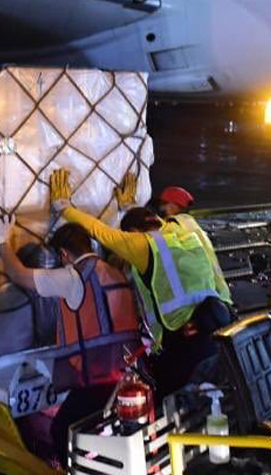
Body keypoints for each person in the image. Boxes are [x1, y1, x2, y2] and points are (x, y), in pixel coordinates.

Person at [50, 169, 236, 395]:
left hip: (183, 343)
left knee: (171, 401)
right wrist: (130, 209)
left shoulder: (143, 245)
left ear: (135, 232)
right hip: (218, 325)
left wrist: (64, 208)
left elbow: (101, 232)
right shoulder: (188, 229)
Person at [0, 216, 138, 465]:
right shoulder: (114, 271)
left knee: (62, 432)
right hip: (126, 373)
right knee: (106, 435)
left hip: (96, 378)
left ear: (63, 254)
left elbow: (19, 275)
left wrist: (2, 242)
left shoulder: (72, 277)